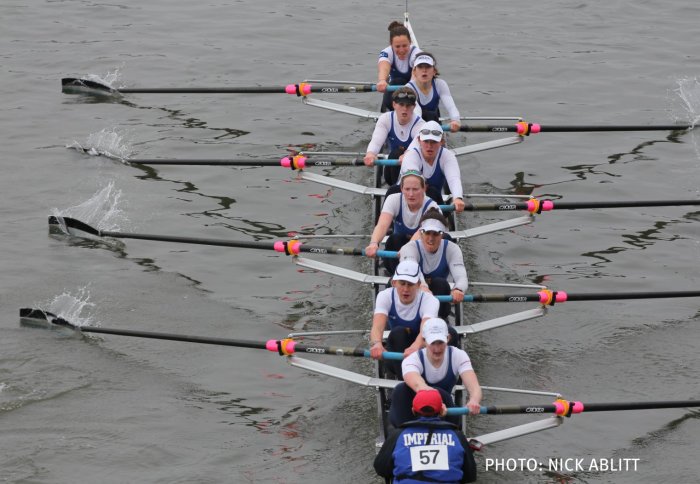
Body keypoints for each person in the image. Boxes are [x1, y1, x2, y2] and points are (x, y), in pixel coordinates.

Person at [388, 318, 482, 429]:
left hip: (444, 410)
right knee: (401, 389)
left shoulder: (459, 355)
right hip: (415, 410)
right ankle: (403, 431)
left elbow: (474, 386)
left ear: (448, 338)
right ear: (424, 341)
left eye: (441, 342)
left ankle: (451, 430)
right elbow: (419, 386)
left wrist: (474, 400)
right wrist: (437, 402)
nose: (437, 349)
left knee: (443, 394)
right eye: (432, 343)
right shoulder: (412, 360)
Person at [374, 389, 477, 483]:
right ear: (441, 411)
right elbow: (470, 476)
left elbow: (381, 469)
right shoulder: (457, 436)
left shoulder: (397, 435)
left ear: (413, 410)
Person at [368, 260, 440, 378]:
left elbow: (425, 332)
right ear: (394, 282)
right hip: (398, 350)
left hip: (421, 349)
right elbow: (377, 326)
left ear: (418, 284)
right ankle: (406, 381)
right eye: (402, 283)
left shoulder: (430, 301)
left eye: (410, 284)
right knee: (398, 333)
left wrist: (415, 347)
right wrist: (377, 343)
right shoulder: (384, 296)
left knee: (447, 334)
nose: (406, 289)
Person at [365, 171, 441, 275]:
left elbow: (421, 234)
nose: (410, 194)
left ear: (424, 189)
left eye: (415, 189)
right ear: (401, 189)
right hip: (399, 248)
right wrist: (373, 243)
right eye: (407, 189)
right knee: (394, 240)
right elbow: (382, 225)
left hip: (423, 250)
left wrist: (406, 250)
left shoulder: (433, 207)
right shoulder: (393, 199)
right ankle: (398, 276)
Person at [401, 209, 467, 321]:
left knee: (440, 283)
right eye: (427, 233)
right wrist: (422, 286)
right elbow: (412, 270)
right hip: (413, 295)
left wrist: (458, 290)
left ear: (442, 235)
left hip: (438, 298)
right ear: (421, 233)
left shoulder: (452, 249)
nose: (431, 238)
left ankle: (438, 322)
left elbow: (461, 277)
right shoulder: (409, 248)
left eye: (435, 234)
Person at [400, 121, 466, 213]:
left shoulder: (447, 156)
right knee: (424, 190)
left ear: (441, 142)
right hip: (408, 200)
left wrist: (458, 197)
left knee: (432, 192)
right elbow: (413, 182)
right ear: (419, 140)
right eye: (426, 141)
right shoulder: (411, 156)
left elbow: (454, 179)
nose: (429, 146)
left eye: (434, 142)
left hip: (433, 200)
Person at [364, 86, 425, 187]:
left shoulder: (421, 125)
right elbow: (376, 141)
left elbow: (416, 146)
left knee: (400, 153)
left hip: (415, 168)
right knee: (396, 153)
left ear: (414, 107)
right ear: (394, 105)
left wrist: (408, 155)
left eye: (408, 105)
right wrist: (371, 153)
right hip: (393, 165)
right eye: (401, 104)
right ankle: (396, 187)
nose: (405, 109)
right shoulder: (385, 119)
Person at [406, 52, 461, 132]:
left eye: (428, 67)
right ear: (414, 71)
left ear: (434, 71)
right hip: (415, 124)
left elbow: (451, 106)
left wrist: (455, 120)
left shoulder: (440, 84)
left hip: (433, 120)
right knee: (429, 115)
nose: (424, 70)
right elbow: (416, 111)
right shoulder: (408, 88)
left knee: (431, 114)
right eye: (420, 67)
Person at [377, 21, 422, 113]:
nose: (401, 50)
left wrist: (411, 85)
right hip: (394, 91)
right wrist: (382, 80)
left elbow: (416, 72)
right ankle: (390, 112)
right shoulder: (386, 52)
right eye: (397, 46)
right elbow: (384, 67)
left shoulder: (417, 54)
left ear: (410, 42)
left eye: (405, 46)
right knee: (397, 81)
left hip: (415, 90)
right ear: (391, 44)